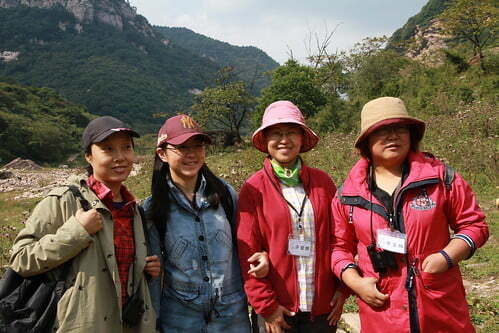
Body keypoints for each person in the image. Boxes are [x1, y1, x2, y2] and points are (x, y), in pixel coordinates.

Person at [331, 97, 489, 333]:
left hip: (439, 306)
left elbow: (474, 225)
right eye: (382, 130)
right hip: (383, 313)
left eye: (400, 128)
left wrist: (446, 257)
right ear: (367, 141)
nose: (393, 135)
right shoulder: (348, 194)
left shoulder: (440, 178)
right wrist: (357, 283)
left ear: (411, 135)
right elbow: (338, 247)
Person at [9, 116, 159, 332]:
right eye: (108, 149)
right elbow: (20, 259)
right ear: (89, 156)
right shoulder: (64, 200)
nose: (120, 157)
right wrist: (76, 232)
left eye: (126, 148)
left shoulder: (134, 210)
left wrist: (144, 271)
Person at [144, 114, 267, 333]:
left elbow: (246, 246)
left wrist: (263, 259)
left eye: (198, 146)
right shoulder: (154, 208)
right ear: (162, 154)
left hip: (231, 313)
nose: (191, 154)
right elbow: (154, 275)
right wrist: (152, 320)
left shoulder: (225, 195)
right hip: (179, 317)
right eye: (182, 147)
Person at [237, 100, 346, 333]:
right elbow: (247, 251)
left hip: (322, 308)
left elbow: (340, 238)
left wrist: (342, 288)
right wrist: (266, 306)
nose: (284, 139)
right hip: (278, 308)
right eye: (276, 133)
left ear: (301, 138)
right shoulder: (253, 188)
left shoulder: (323, 183)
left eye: (291, 132)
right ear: (266, 141)